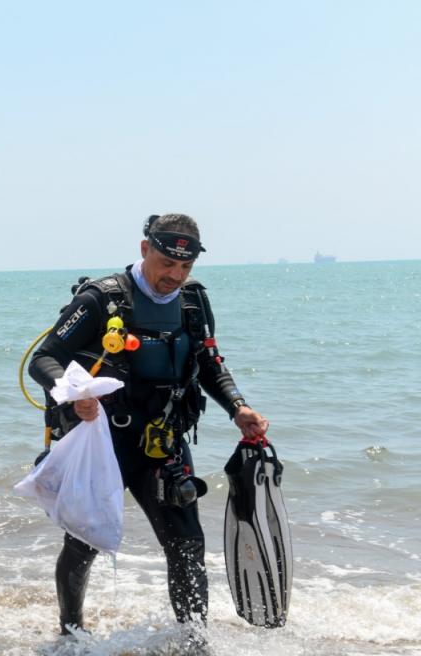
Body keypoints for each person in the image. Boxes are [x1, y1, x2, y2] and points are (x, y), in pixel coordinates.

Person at [27, 214, 269, 636]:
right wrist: (74, 393)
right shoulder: (100, 299)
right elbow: (43, 359)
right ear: (145, 250)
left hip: (163, 441)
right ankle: (70, 633)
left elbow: (208, 363)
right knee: (84, 542)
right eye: (167, 264)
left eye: (185, 267)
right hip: (104, 441)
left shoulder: (193, 300)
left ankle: (194, 640)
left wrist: (238, 407)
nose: (175, 275)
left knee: (188, 544)